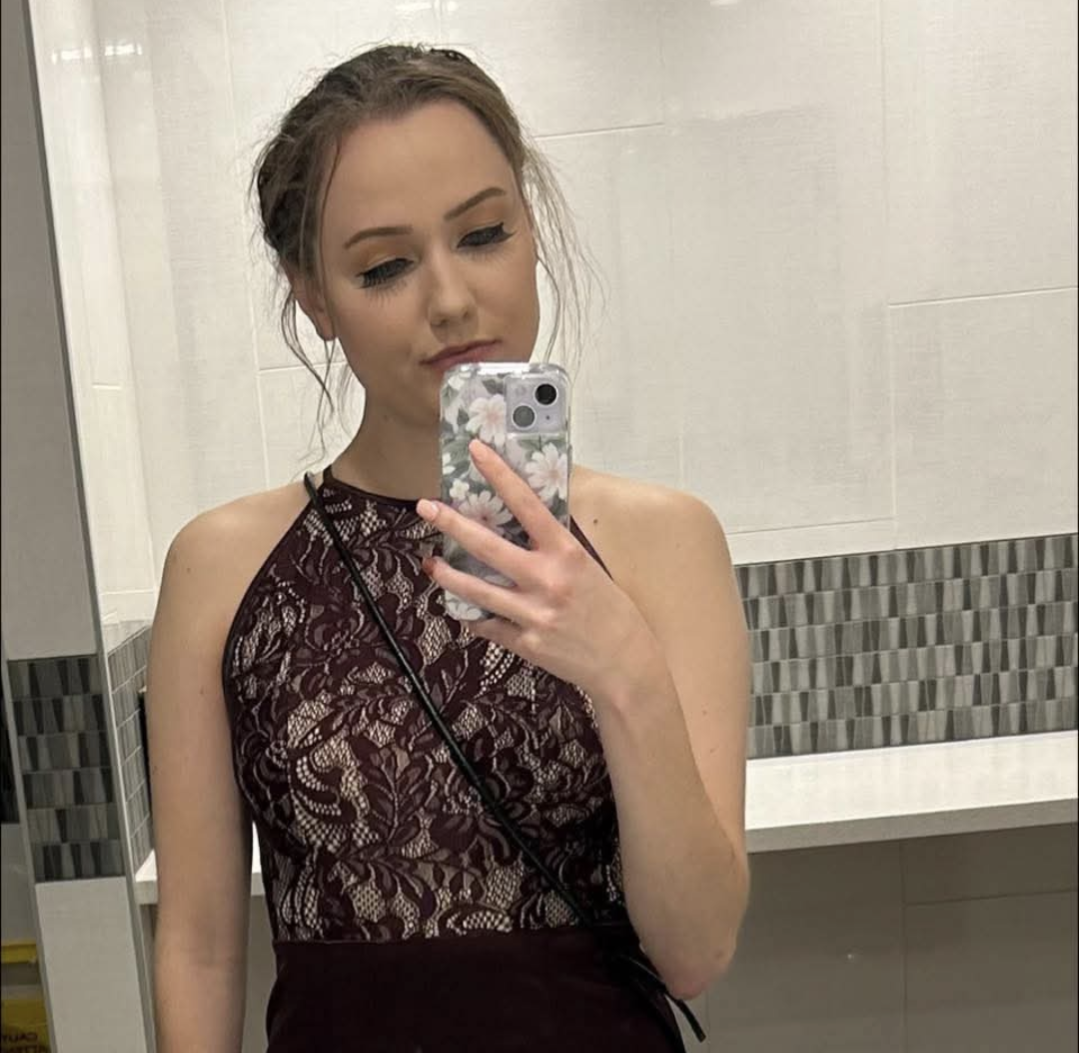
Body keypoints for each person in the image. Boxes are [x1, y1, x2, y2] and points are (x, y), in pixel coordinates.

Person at [146, 44, 750, 1053]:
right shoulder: (220, 570)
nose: (452, 300)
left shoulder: (662, 544)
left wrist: (625, 670)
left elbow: (695, 952)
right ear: (313, 296)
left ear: (530, 233)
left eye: (482, 234)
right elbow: (200, 949)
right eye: (384, 265)